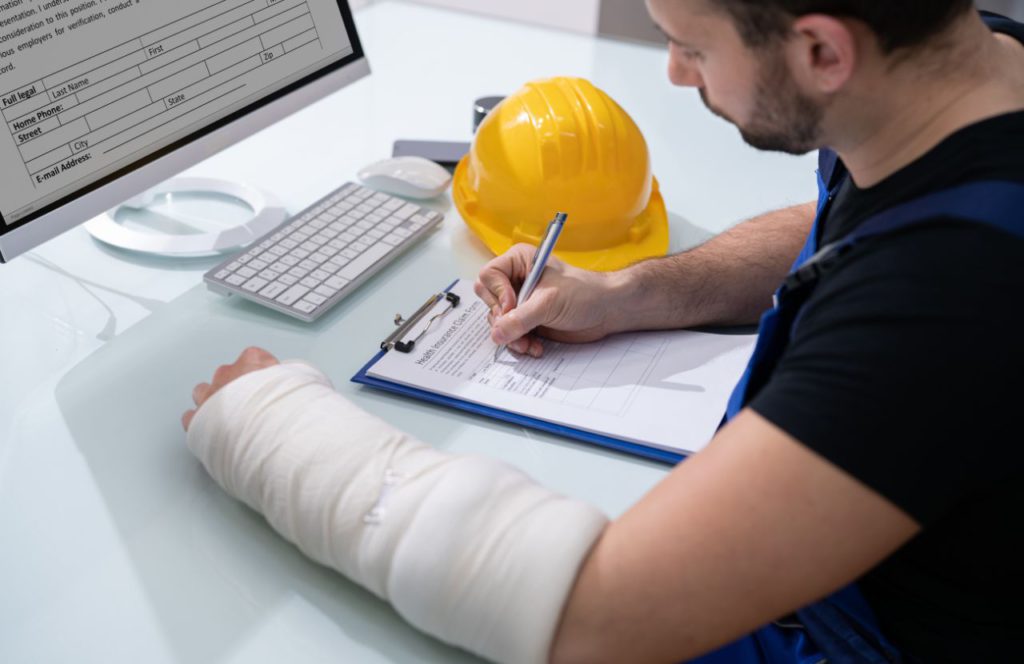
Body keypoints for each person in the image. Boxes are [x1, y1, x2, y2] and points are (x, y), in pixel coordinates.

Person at [182, 1, 1024, 662]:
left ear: (823, 53)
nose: (673, 70)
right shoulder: (968, 70)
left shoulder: (946, 297)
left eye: (692, 46)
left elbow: (592, 614)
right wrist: (634, 290)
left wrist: (267, 424)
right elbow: (851, 217)